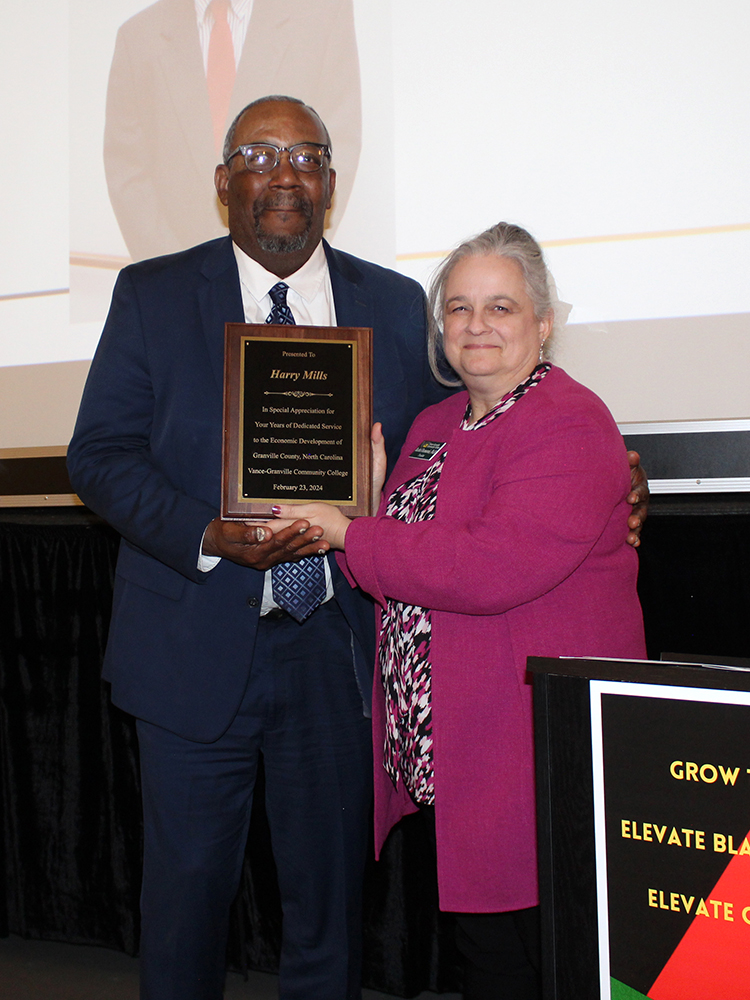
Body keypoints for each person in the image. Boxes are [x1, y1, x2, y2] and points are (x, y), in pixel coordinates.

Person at [68, 95, 439, 1000]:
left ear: (331, 185)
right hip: (192, 646)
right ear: (224, 180)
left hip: (337, 649)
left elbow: (455, 440)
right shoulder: (153, 294)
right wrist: (206, 532)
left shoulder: (391, 305)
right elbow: (100, 456)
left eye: (305, 156)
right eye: (261, 154)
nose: (285, 174)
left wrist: (588, 454)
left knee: (330, 915)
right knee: (186, 906)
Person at [271, 223, 648, 999]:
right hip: (455, 751)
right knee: (487, 960)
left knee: (543, 959)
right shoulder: (436, 424)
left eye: (501, 307)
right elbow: (405, 549)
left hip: (531, 749)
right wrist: (364, 505)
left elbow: (487, 567)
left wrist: (351, 529)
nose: (476, 326)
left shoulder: (570, 422)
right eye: (459, 308)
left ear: (543, 322)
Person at [104, 0, 361, 261]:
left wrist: (292, 262)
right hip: (180, 280)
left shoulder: (323, 15)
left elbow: (341, 142)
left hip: (293, 271)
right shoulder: (138, 35)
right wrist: (177, 275)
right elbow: (127, 168)